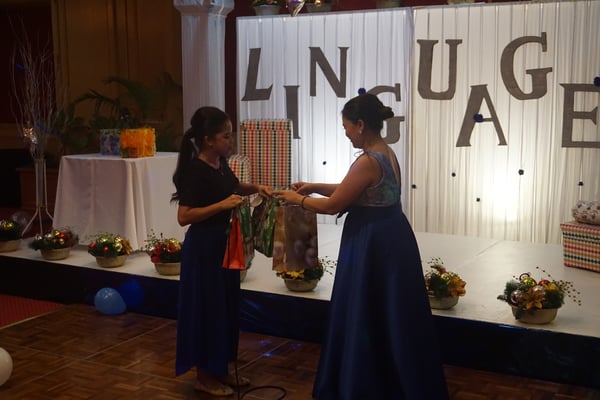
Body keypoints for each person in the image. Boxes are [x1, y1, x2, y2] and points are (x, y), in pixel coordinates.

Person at [274, 93, 449, 400]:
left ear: (360, 125)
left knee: (367, 312)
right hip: (392, 238)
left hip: (372, 242)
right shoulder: (385, 152)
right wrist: (313, 186)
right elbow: (350, 189)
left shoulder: (368, 161)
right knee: (391, 313)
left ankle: (364, 384)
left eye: (346, 127)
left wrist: (298, 199)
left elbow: (334, 205)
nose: (345, 134)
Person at [171, 106, 271, 397]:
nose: (231, 141)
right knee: (207, 310)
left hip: (225, 246)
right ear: (208, 140)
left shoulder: (221, 163)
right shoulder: (195, 170)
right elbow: (184, 216)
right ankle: (204, 376)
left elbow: (233, 187)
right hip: (204, 250)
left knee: (225, 309)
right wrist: (222, 206)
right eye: (226, 136)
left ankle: (221, 368)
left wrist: (256, 187)